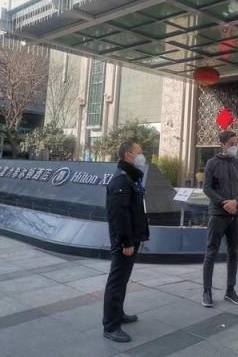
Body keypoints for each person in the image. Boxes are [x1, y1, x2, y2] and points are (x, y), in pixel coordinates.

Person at [102, 139, 150, 342]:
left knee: (122, 280)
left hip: (131, 238)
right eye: (139, 152)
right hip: (124, 242)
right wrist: (126, 243)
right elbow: (119, 216)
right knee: (117, 281)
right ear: (128, 155)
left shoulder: (130, 178)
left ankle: (118, 314)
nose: (142, 156)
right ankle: (111, 326)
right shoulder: (121, 181)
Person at [201, 130, 238, 308]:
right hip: (218, 214)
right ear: (222, 144)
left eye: (236, 143)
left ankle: (231, 290)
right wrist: (223, 203)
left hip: (237, 214)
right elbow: (207, 188)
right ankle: (207, 291)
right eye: (231, 143)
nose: (234, 146)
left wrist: (236, 201)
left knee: (233, 252)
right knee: (211, 252)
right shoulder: (212, 163)